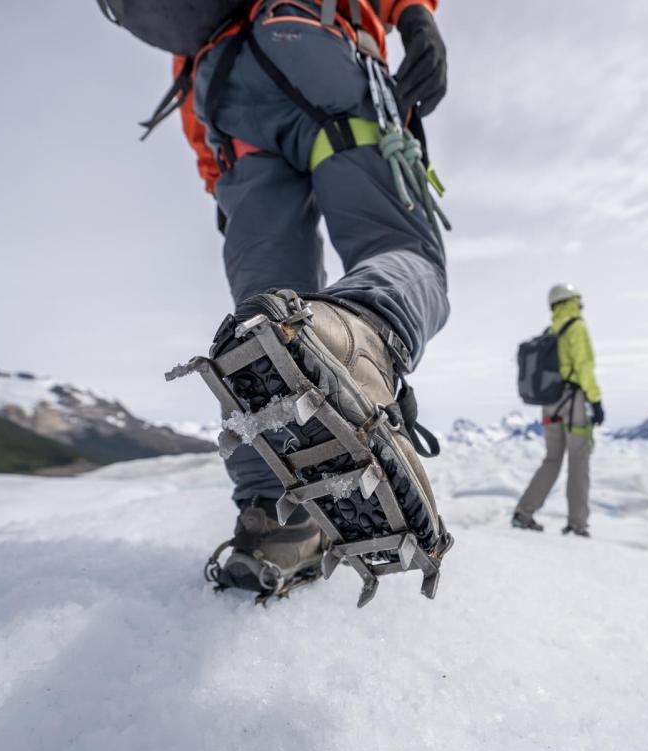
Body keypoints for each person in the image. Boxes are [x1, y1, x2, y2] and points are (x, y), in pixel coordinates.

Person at [163, 0, 453, 592]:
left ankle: (274, 522)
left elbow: (183, 52)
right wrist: (416, 17)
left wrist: (218, 180)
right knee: (404, 252)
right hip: (316, 50)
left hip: (226, 103)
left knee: (264, 331)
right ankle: (360, 336)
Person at [512, 284, 604, 538]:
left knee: (552, 459)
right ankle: (577, 524)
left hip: (549, 403)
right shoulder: (576, 327)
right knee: (578, 460)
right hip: (573, 402)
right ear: (572, 300)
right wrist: (595, 401)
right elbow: (584, 367)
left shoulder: (552, 330)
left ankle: (523, 513)